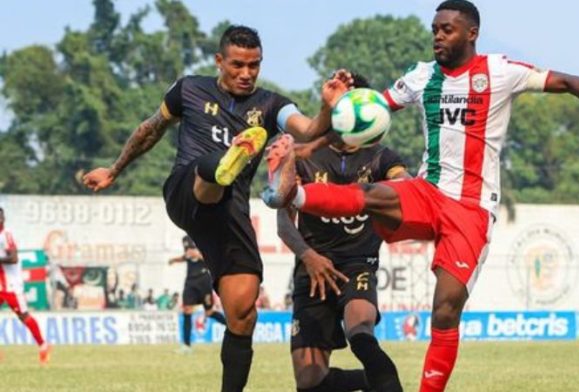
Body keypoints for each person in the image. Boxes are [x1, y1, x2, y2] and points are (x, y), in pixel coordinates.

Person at [261, 2, 579, 391]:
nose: (438, 37)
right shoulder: (421, 76)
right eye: (434, 29)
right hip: (429, 191)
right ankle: (292, 196)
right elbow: (367, 113)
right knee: (371, 193)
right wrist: (315, 140)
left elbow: (568, 81)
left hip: (471, 209)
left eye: (447, 29)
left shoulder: (500, 72)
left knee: (445, 310)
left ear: (471, 33)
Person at [82, 24, 349, 391]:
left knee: (242, 313)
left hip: (228, 214)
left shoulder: (271, 104)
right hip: (186, 191)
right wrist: (114, 170)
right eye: (237, 64)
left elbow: (307, 128)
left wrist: (327, 106)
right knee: (210, 170)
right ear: (219, 60)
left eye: (254, 65)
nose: (246, 73)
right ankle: (225, 162)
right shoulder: (188, 89)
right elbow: (150, 129)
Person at [278, 74, 409, 392]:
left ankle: (386, 384)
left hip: (357, 264)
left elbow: (404, 185)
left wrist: (406, 186)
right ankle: (377, 382)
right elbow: (283, 223)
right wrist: (309, 257)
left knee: (360, 333)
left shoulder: (381, 157)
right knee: (309, 383)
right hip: (312, 270)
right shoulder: (302, 155)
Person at [0, 207, 51, 364]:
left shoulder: (6, 235)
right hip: (1, 285)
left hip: (12, 285)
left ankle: (43, 345)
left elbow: (13, 258)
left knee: (23, 316)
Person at [169, 235, 227, 353]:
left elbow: (213, 257)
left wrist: (199, 255)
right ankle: (186, 346)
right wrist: (175, 260)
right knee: (187, 310)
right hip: (190, 281)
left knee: (209, 312)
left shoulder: (204, 236)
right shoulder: (185, 238)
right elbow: (187, 256)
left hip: (203, 280)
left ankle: (233, 327)